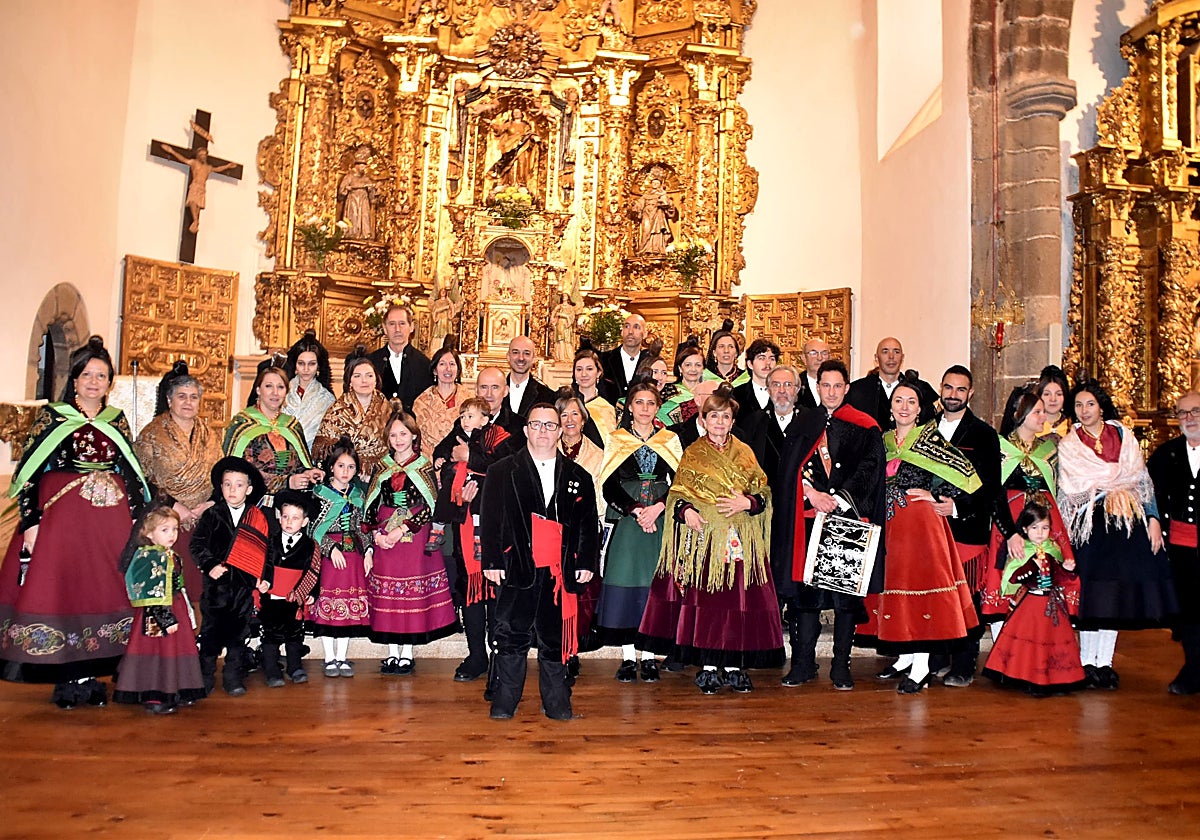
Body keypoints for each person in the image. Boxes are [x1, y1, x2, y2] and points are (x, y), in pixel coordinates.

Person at [0, 336, 150, 709]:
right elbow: (31, 471)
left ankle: (92, 674)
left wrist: (137, 520)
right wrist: (31, 522)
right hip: (62, 522)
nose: (94, 382)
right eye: (87, 375)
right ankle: (66, 677)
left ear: (109, 382)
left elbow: (129, 472)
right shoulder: (53, 417)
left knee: (103, 588)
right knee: (65, 589)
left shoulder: (115, 420)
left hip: (108, 520)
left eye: (101, 375)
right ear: (76, 379)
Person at [638, 390, 784, 694]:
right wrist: (687, 512)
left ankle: (734, 666)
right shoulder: (693, 453)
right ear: (703, 420)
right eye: (713, 416)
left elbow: (764, 493)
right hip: (704, 539)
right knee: (708, 604)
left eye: (725, 416)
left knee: (737, 603)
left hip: (741, 540)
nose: (719, 422)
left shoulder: (745, 452)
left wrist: (746, 503)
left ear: (732, 421)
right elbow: (677, 494)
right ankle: (706, 666)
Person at [857, 375, 981, 694]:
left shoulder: (931, 440)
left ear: (920, 408)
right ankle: (906, 657)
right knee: (897, 589)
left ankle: (923, 665)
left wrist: (938, 497)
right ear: (891, 406)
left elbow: (967, 476)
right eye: (899, 400)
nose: (904, 406)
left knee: (922, 590)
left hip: (921, 526)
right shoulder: (882, 439)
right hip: (890, 526)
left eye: (911, 402)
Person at [481, 403, 600, 720]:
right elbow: (490, 521)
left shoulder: (579, 476)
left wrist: (587, 560)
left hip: (559, 573)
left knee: (553, 638)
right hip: (516, 566)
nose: (543, 431)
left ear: (561, 431)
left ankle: (557, 702)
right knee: (510, 636)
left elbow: (589, 525)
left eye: (550, 425)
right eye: (537, 425)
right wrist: (491, 560)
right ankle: (505, 701)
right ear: (526, 430)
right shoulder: (501, 471)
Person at [772, 360, 886, 690]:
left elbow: (871, 470)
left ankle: (841, 666)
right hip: (808, 522)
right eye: (826, 386)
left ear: (846, 389)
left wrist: (839, 499)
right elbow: (790, 473)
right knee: (805, 596)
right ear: (816, 387)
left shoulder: (865, 426)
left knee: (844, 599)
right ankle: (803, 664)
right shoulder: (802, 424)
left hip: (848, 519)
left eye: (838, 386)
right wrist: (810, 493)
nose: (831, 392)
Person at [1058, 379, 1177, 690]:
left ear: (1101, 406)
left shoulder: (1124, 436)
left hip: (1126, 521)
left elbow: (1141, 480)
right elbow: (1072, 491)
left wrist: (1152, 519)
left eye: (1090, 404)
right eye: (1078, 406)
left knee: (1116, 595)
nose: (1084, 411)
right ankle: (1087, 663)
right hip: (1092, 525)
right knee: (1093, 596)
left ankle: (1104, 663)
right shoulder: (1069, 445)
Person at [595, 382, 683, 682]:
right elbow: (609, 484)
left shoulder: (670, 440)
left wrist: (658, 508)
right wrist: (635, 510)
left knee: (652, 586)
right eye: (639, 402)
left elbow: (679, 483)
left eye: (650, 403)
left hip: (659, 520)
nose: (644, 408)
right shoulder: (616, 440)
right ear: (629, 407)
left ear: (658, 407)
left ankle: (649, 656)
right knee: (626, 585)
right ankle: (628, 656)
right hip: (628, 521)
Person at [365, 412, 458, 675]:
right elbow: (371, 503)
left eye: (403, 434)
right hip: (385, 534)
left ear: (414, 436)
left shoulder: (423, 466)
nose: (398, 439)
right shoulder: (381, 466)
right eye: (393, 435)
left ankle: (407, 652)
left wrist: (402, 528)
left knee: (409, 594)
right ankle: (392, 651)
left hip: (414, 535)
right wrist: (375, 534)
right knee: (389, 592)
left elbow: (431, 505)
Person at [447, 367, 524, 683]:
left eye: (495, 387)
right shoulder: (462, 423)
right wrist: (454, 481)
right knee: (470, 592)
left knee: (498, 593)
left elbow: (513, 470)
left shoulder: (516, 428)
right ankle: (476, 654)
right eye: (483, 387)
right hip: (466, 523)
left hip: (500, 526)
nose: (489, 393)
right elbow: (446, 459)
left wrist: (473, 460)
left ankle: (499, 657)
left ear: (505, 390)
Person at [980, 388, 1076, 634]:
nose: (1044, 417)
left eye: (1043, 411)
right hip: (1010, 520)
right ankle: (1003, 644)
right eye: (1038, 412)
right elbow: (994, 493)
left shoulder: (1049, 449)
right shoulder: (999, 447)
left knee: (1045, 577)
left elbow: (1053, 488)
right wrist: (1010, 531)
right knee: (1006, 577)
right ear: (1019, 414)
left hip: (1044, 518)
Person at [930, 365, 1001, 687]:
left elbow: (990, 487)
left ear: (970, 394)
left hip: (966, 530)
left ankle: (963, 664)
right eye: (948, 388)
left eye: (960, 390)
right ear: (940, 389)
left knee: (965, 600)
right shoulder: (924, 427)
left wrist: (957, 507)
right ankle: (935, 660)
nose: (953, 395)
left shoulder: (983, 434)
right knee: (934, 598)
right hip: (930, 531)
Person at [134, 361, 222, 605]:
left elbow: (221, 474)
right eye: (181, 396)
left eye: (193, 397)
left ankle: (201, 635)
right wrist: (175, 505)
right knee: (171, 582)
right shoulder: (152, 433)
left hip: (204, 518)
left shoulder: (210, 433)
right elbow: (141, 479)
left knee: (201, 583)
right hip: (166, 519)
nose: (188, 402)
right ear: (169, 400)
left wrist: (210, 503)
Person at [982, 500, 1086, 696]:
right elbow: (1013, 577)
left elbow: (1060, 578)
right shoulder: (1022, 551)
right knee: (1032, 641)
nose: (1040, 533)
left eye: (1045, 528)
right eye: (1035, 527)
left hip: (1053, 604)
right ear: (1024, 529)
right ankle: (1030, 676)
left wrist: (1067, 570)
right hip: (1032, 605)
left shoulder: (1053, 549)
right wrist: (1031, 566)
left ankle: (1058, 678)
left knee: (1053, 641)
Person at [190, 456, 274, 697]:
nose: (232, 490)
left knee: (239, 636)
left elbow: (267, 551)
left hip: (243, 588)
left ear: (248, 489)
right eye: (227, 484)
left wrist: (265, 576)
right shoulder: (212, 515)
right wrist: (210, 565)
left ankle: (233, 677)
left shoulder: (258, 517)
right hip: (217, 588)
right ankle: (204, 678)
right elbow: (197, 545)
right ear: (220, 487)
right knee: (210, 636)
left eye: (239, 484)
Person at [113, 503, 205, 715]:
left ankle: (179, 687)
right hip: (156, 614)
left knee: (178, 648)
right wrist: (164, 617)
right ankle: (155, 693)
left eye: (174, 529)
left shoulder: (169, 554)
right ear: (150, 534)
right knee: (157, 650)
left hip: (176, 606)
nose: (172, 534)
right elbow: (148, 590)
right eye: (165, 530)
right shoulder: (148, 556)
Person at [1147, 391, 1200, 695]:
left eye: (1195, 411)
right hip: (1180, 548)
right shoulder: (1167, 454)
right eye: (1182, 413)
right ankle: (1193, 667)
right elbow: (1148, 493)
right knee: (1189, 612)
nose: (1189, 418)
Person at [310, 439, 372, 678]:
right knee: (329, 603)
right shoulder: (320, 496)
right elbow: (314, 529)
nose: (345, 472)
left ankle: (342, 656)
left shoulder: (357, 496)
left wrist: (368, 551)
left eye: (351, 467)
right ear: (331, 468)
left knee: (347, 605)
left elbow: (361, 527)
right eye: (341, 466)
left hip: (353, 556)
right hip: (330, 558)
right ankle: (328, 657)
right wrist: (330, 548)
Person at [224, 364, 323, 494]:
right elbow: (238, 472)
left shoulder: (292, 425)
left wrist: (309, 473)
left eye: (280, 387)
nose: (275, 393)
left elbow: (300, 466)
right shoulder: (242, 423)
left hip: (289, 504)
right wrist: (286, 482)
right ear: (258, 390)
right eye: (269, 386)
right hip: (253, 501)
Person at [259, 490, 320, 687]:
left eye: (295, 518)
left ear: (304, 522)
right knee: (271, 635)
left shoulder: (310, 546)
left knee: (294, 635)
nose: (289, 521)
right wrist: (265, 582)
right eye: (285, 516)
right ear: (279, 517)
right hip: (272, 596)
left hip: (295, 598)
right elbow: (265, 565)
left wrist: (311, 593)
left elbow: (313, 572)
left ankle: (294, 667)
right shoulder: (271, 542)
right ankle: (272, 670)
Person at [312, 346, 391, 480]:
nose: (364, 380)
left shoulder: (388, 409)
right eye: (357, 376)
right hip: (344, 477)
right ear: (350, 381)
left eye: (369, 375)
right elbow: (324, 451)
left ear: (376, 379)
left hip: (382, 475)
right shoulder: (337, 410)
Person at [429, 398, 490, 555]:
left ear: (484, 420)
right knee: (444, 495)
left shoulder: (488, 435)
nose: (465, 420)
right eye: (462, 416)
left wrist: (471, 457)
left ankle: (480, 536)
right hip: (456, 476)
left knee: (481, 501)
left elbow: (489, 458)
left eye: (470, 416)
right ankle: (437, 529)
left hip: (478, 478)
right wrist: (440, 457)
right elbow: (443, 446)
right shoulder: (457, 432)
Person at [846, 337, 938, 431]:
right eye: (885, 351)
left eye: (896, 352)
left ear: (902, 358)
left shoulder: (920, 389)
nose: (891, 356)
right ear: (876, 358)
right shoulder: (858, 390)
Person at [734, 363, 802, 489]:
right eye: (776, 385)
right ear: (768, 390)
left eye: (788, 385)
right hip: (765, 497)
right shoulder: (753, 423)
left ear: (797, 389)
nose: (782, 390)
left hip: (800, 497)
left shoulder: (809, 421)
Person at [156, 145, 238, 233]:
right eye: (201, 155)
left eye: (204, 155)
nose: (203, 156)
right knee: (192, 201)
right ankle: (195, 220)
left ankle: (196, 222)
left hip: (202, 188)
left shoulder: (208, 168)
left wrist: (228, 166)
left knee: (197, 207)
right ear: (198, 156)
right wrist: (172, 151)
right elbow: (183, 159)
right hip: (195, 185)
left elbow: (217, 169)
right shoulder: (194, 163)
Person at [369, 302, 433, 414]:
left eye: (402, 323)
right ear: (384, 328)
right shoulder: (371, 362)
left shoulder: (424, 364)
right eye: (392, 324)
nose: (397, 329)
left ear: (411, 327)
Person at [283, 330, 336, 451]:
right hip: (281, 456)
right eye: (301, 363)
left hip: (312, 459)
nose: (306, 369)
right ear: (295, 365)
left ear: (318, 366)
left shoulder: (327, 399)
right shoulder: (282, 392)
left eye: (311, 364)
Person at [412, 340, 465, 452]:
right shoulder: (422, 402)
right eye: (442, 364)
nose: (448, 369)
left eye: (452, 364)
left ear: (458, 369)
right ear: (435, 370)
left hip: (460, 459)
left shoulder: (468, 399)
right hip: (427, 461)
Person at [658, 339, 720, 429]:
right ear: (680, 368)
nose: (693, 369)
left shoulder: (712, 391)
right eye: (688, 365)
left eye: (698, 365)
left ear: (703, 369)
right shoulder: (667, 392)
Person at [572, 348, 619, 446]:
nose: (583, 374)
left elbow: (609, 445)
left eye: (589, 369)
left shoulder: (606, 408)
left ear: (598, 373)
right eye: (579, 369)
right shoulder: (567, 403)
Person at [598, 313, 649, 397]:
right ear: (621, 332)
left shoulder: (650, 361)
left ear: (645, 334)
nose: (630, 332)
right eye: (627, 326)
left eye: (636, 327)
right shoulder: (604, 359)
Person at [506, 335, 556, 419]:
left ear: (533, 358)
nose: (521, 358)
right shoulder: (494, 392)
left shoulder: (547, 395)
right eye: (515, 352)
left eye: (526, 353)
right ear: (508, 356)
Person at [730, 338, 779, 417]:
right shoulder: (736, 394)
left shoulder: (784, 393)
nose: (768, 363)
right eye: (761, 358)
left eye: (772, 359)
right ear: (750, 364)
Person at [632, 175, 678, 255]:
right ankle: (645, 249)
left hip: (658, 213)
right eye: (653, 183)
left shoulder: (662, 194)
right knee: (646, 231)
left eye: (657, 183)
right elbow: (640, 203)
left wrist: (663, 201)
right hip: (647, 214)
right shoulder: (646, 195)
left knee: (658, 231)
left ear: (660, 184)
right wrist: (635, 205)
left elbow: (668, 204)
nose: (655, 184)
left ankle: (657, 248)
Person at [337, 147, 377, 239]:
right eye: (362, 166)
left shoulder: (366, 179)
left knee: (365, 216)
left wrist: (372, 190)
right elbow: (341, 192)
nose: (363, 168)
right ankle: (352, 234)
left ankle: (365, 234)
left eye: (365, 166)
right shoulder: (349, 177)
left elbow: (373, 198)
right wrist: (347, 189)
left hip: (364, 200)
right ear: (357, 166)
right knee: (353, 216)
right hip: (353, 200)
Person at [1037, 365, 1071, 439]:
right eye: (1047, 394)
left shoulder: (1072, 427)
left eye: (1059, 394)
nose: (1053, 399)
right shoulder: (1031, 425)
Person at [797, 338, 831, 410]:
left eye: (824, 353)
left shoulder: (839, 385)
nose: (819, 358)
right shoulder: (796, 384)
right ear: (804, 358)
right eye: (814, 353)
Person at [550, 293, 578, 363]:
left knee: (567, 340)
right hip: (560, 323)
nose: (564, 297)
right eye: (563, 296)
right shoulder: (559, 306)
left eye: (565, 296)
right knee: (560, 340)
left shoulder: (570, 307)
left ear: (568, 298)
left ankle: (568, 357)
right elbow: (553, 312)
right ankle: (560, 357)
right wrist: (553, 319)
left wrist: (567, 318)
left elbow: (572, 316)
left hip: (567, 324)